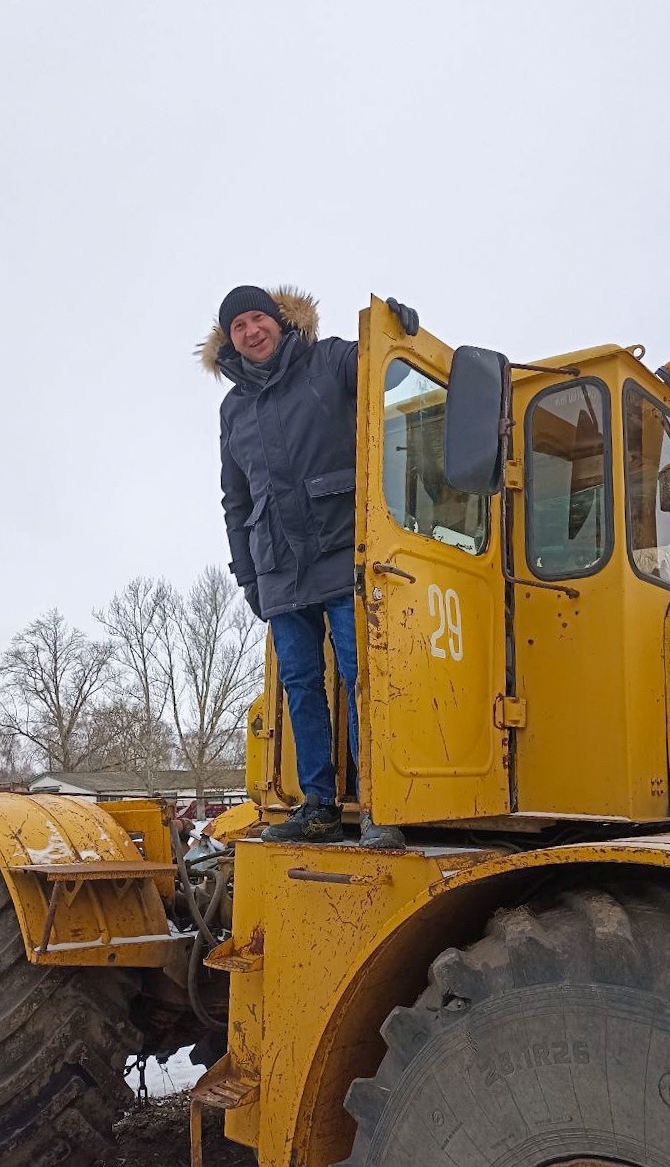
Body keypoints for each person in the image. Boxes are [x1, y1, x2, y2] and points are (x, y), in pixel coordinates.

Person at [200, 285, 411, 848]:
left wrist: (403, 337)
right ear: (230, 339)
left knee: (360, 673)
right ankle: (318, 805)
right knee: (299, 684)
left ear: (279, 321)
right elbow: (236, 499)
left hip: (344, 551)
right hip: (278, 568)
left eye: (257, 318)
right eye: (238, 325)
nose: (250, 331)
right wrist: (246, 575)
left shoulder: (328, 359)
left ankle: (379, 804)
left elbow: (382, 363)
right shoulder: (233, 409)